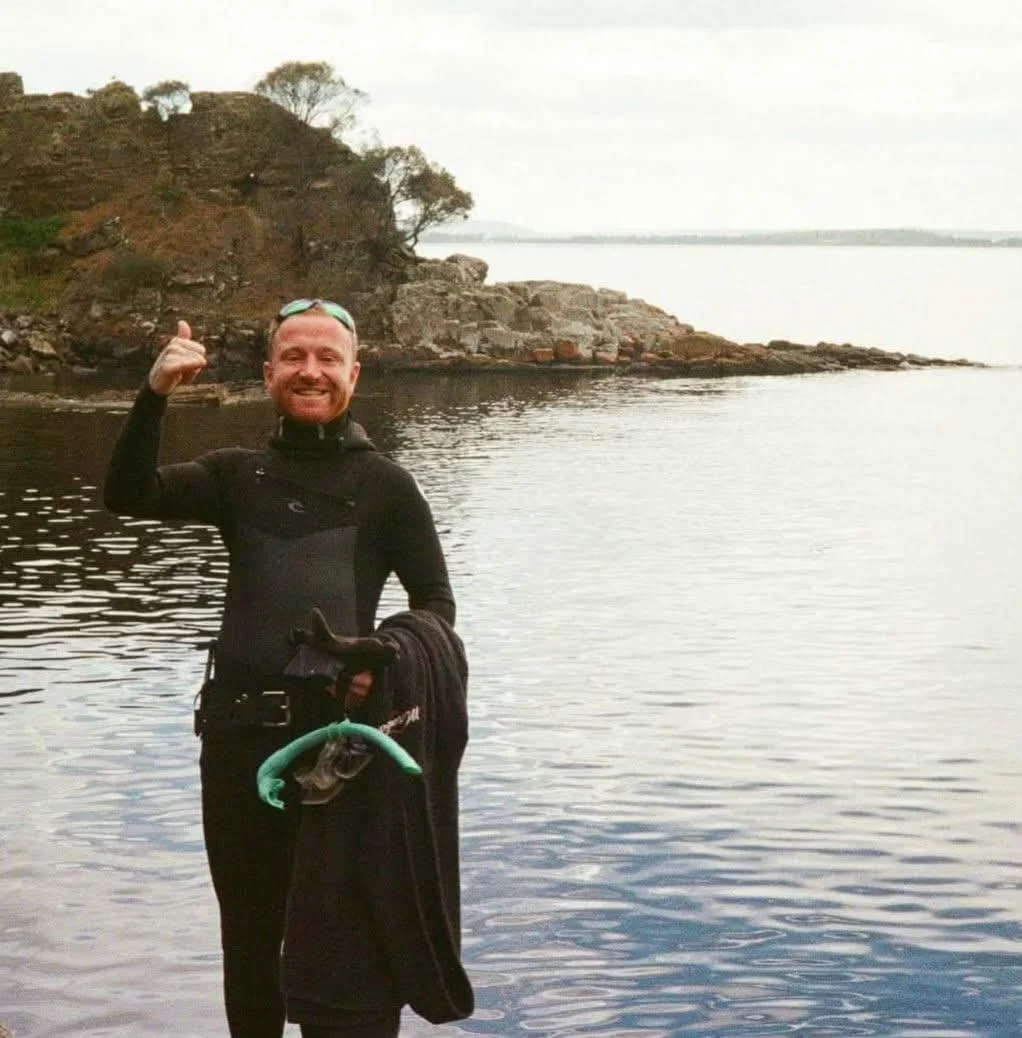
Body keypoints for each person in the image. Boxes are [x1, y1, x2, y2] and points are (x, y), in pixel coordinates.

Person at [104, 300, 461, 1038]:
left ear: (354, 375)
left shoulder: (387, 486)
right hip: (239, 743)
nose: (311, 371)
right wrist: (154, 394)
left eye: (328, 358)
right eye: (294, 356)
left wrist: (389, 655)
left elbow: (436, 603)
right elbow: (128, 494)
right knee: (250, 939)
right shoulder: (237, 476)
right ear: (268, 374)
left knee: (349, 940)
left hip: (342, 751)